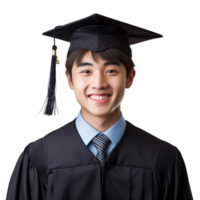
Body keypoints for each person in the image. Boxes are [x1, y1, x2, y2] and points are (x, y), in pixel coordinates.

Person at [5, 13, 193, 200]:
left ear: (129, 78)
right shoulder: (39, 157)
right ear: (69, 79)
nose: (98, 83)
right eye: (86, 71)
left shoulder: (163, 158)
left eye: (111, 71)